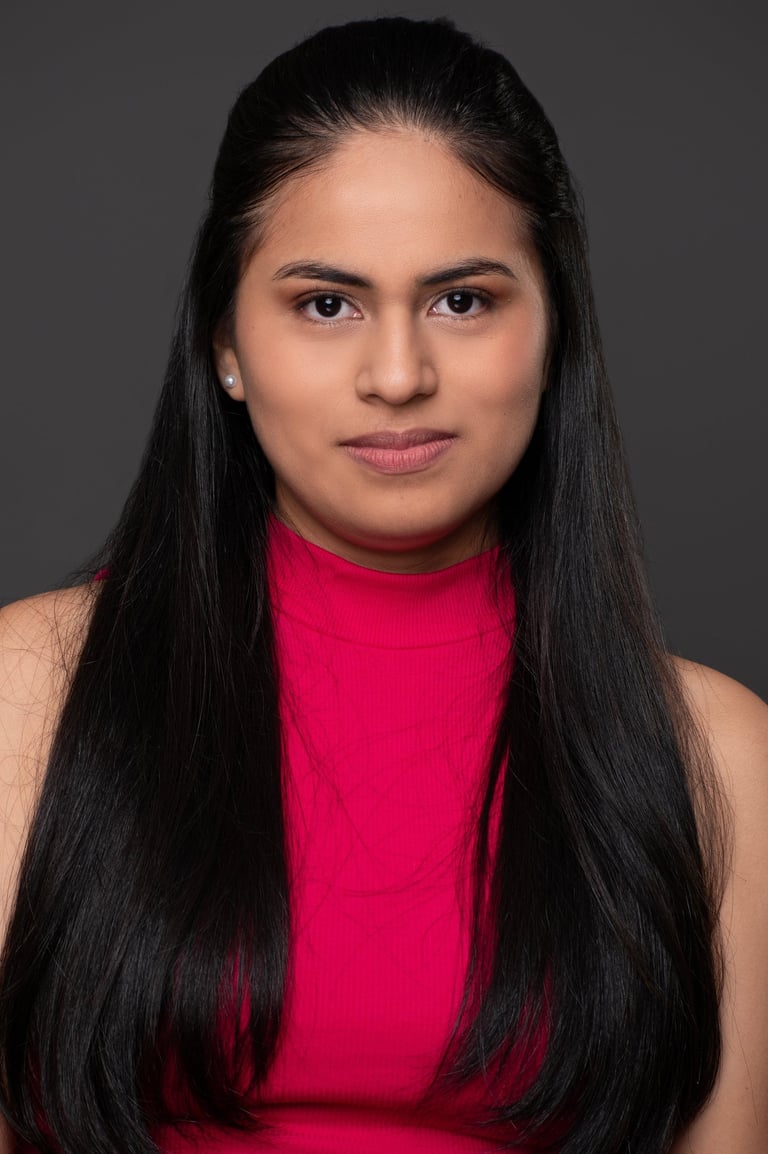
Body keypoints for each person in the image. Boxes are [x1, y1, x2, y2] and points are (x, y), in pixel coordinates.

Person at [0, 14, 765, 1154]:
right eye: (326, 304)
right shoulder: (25, 695)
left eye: (463, 300)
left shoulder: (720, 758)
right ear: (225, 346)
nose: (398, 376)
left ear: (553, 331)